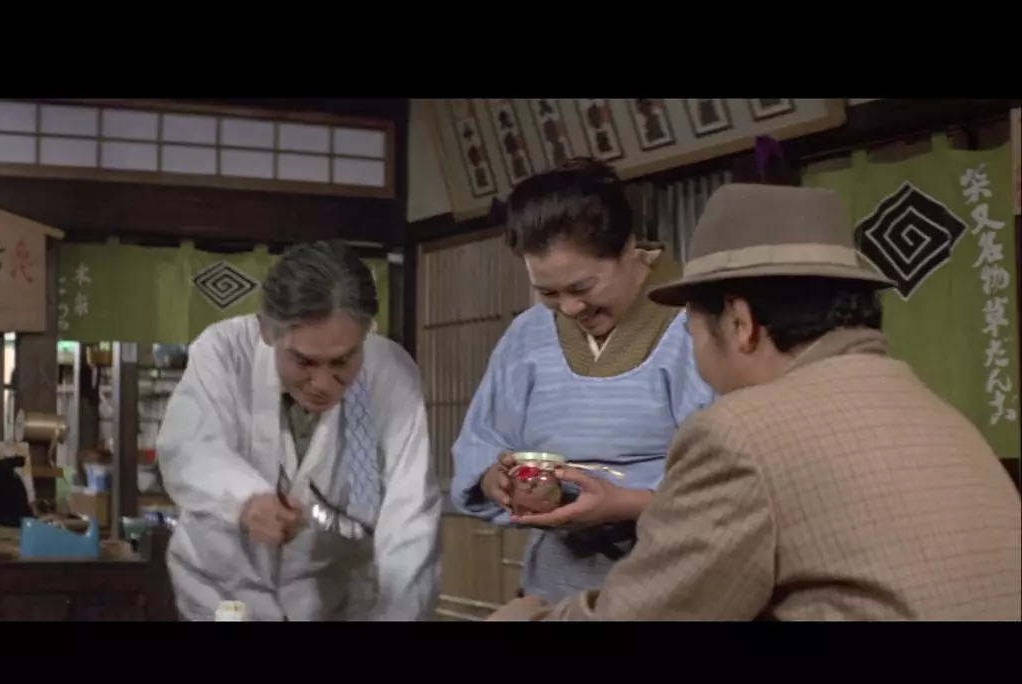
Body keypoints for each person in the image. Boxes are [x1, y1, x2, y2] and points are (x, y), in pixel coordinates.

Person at [490, 183, 1022, 621]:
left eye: (692, 331)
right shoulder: (936, 413)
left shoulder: (742, 431)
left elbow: (656, 614)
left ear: (741, 323)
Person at [449, 158, 716, 604]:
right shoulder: (527, 334)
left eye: (582, 288)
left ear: (628, 248)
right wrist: (496, 477)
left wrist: (625, 504)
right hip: (554, 584)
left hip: (668, 582)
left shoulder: (695, 326)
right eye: (548, 293)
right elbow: (483, 438)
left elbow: (727, 480)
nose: (571, 309)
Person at [156, 240, 441, 621]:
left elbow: (411, 517)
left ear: (366, 332)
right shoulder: (225, 353)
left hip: (331, 601)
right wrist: (244, 499)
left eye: (342, 361)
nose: (322, 383)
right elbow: (189, 447)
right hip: (221, 591)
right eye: (303, 362)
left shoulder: (389, 376)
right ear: (266, 330)